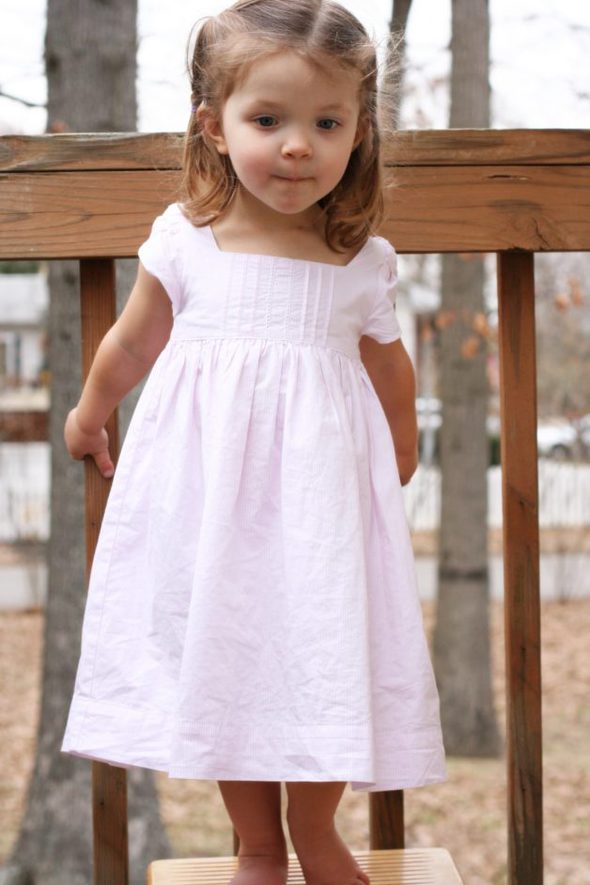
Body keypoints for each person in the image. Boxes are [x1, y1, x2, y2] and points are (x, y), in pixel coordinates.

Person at [61, 1, 446, 883]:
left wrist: (397, 450)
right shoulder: (187, 241)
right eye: (267, 120)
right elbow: (132, 340)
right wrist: (90, 412)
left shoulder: (360, 261)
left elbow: (393, 373)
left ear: (358, 131)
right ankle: (260, 843)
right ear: (215, 126)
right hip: (212, 506)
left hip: (321, 512)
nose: (297, 145)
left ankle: (316, 829)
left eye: (326, 122)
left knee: (326, 651)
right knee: (229, 656)